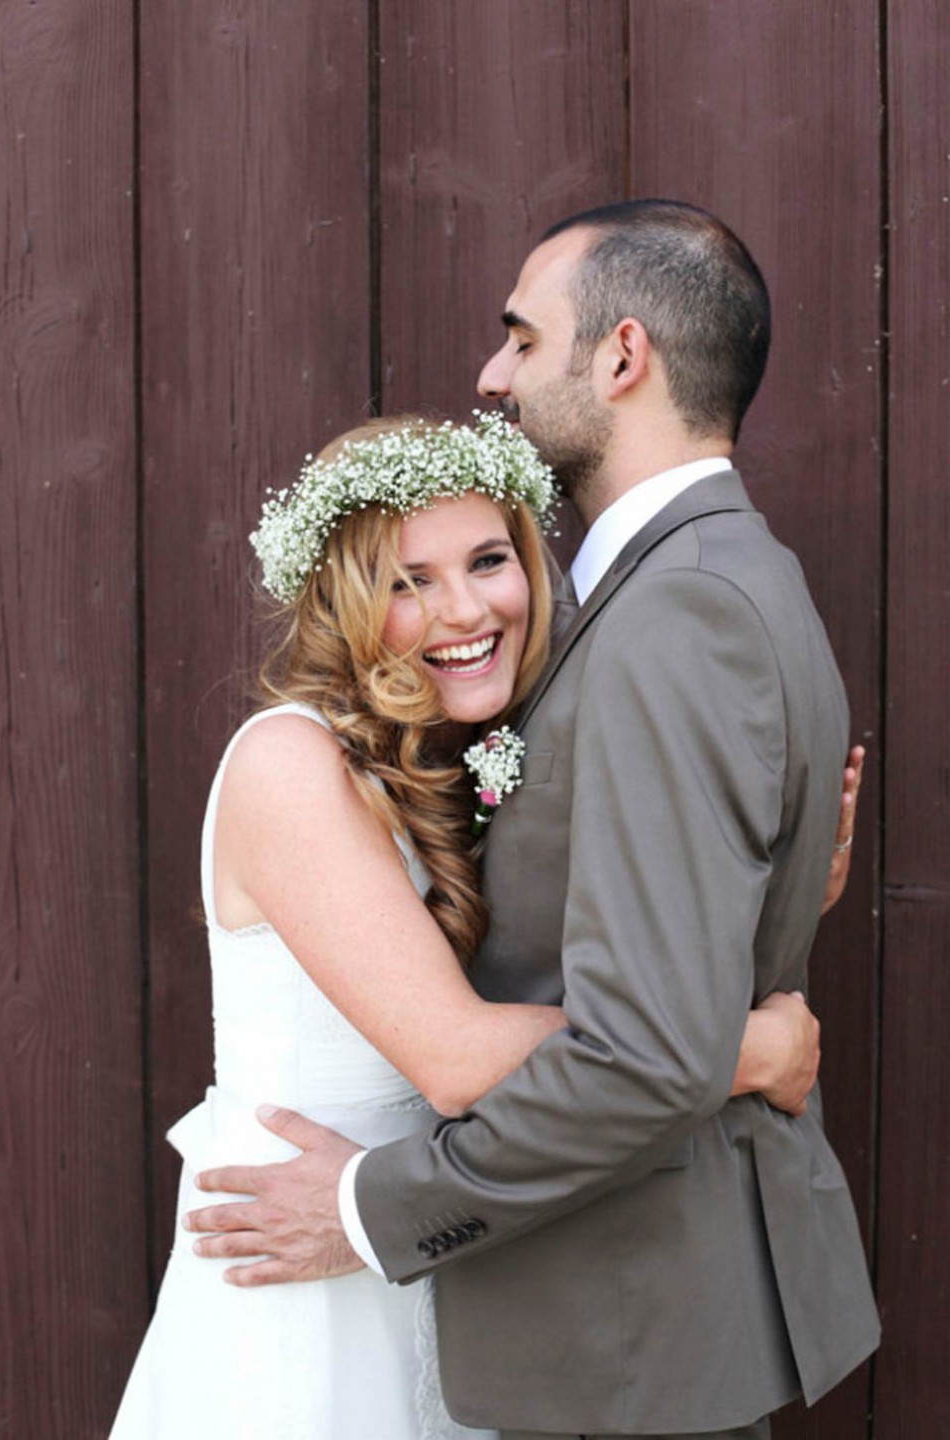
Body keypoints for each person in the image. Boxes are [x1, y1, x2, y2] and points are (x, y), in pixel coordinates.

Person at [187, 201, 879, 1440]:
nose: (491, 373)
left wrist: (751, 930)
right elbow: (585, 961)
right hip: (386, 1268)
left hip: (570, 1295)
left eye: (520, 337)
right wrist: (745, 1043)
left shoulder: (674, 613)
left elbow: (633, 1028)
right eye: (407, 579)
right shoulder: (714, 588)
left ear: (620, 357)